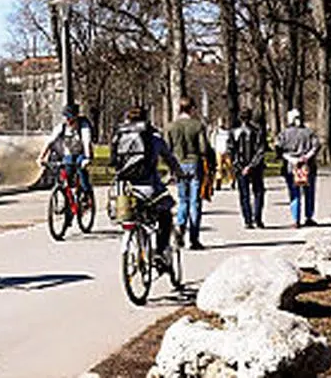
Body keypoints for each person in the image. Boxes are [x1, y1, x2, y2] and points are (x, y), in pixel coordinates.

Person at [110, 106, 182, 263]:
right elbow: (169, 158)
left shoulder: (119, 137)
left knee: (133, 216)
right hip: (149, 189)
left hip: (124, 190)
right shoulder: (153, 138)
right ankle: (160, 251)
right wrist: (179, 173)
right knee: (165, 214)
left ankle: (137, 247)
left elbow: (113, 162)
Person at [164, 96, 215, 250]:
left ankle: (180, 227)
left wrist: (171, 167)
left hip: (179, 164)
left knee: (183, 200)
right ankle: (194, 238)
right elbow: (203, 148)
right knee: (195, 202)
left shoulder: (171, 127)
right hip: (194, 164)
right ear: (191, 108)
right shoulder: (197, 125)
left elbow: (167, 149)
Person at [38, 103, 95, 198]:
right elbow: (49, 142)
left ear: (76, 117)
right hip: (69, 154)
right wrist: (41, 157)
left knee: (81, 170)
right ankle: (68, 199)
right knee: (66, 172)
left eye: (70, 118)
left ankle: (86, 194)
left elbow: (87, 142)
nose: (68, 121)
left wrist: (88, 158)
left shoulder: (84, 126)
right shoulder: (62, 127)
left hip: (82, 153)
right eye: (66, 118)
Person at [277, 109, 320, 228]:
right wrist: (306, 157)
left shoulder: (284, 134)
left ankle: (296, 219)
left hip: (291, 167)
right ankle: (309, 217)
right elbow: (316, 146)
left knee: (294, 193)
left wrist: (292, 159)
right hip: (308, 166)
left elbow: (279, 150)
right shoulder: (309, 132)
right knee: (309, 193)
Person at [230, 109, 267, 229]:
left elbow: (232, 151)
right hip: (251, 167)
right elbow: (260, 150)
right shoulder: (255, 131)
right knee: (256, 192)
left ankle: (250, 219)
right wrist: (249, 166)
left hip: (246, 167)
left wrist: (242, 166)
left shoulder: (253, 131)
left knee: (246, 194)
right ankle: (255, 218)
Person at [212, 118, 234, 191]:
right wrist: (214, 149)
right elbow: (212, 141)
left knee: (230, 167)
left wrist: (230, 149)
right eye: (219, 122)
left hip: (226, 152)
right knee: (219, 167)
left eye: (222, 122)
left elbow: (231, 141)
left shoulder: (228, 132)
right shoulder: (216, 132)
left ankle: (232, 181)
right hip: (218, 151)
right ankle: (218, 182)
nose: (221, 124)